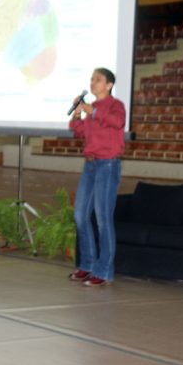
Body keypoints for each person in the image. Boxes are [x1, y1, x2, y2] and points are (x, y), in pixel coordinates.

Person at [67, 67, 126, 287]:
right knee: (81, 215)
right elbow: (78, 131)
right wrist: (77, 112)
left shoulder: (115, 106)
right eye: (92, 79)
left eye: (98, 80)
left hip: (107, 165)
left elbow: (118, 123)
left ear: (109, 85)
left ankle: (104, 271)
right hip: (90, 165)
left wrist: (92, 111)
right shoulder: (92, 109)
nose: (93, 83)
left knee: (103, 219)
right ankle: (87, 265)